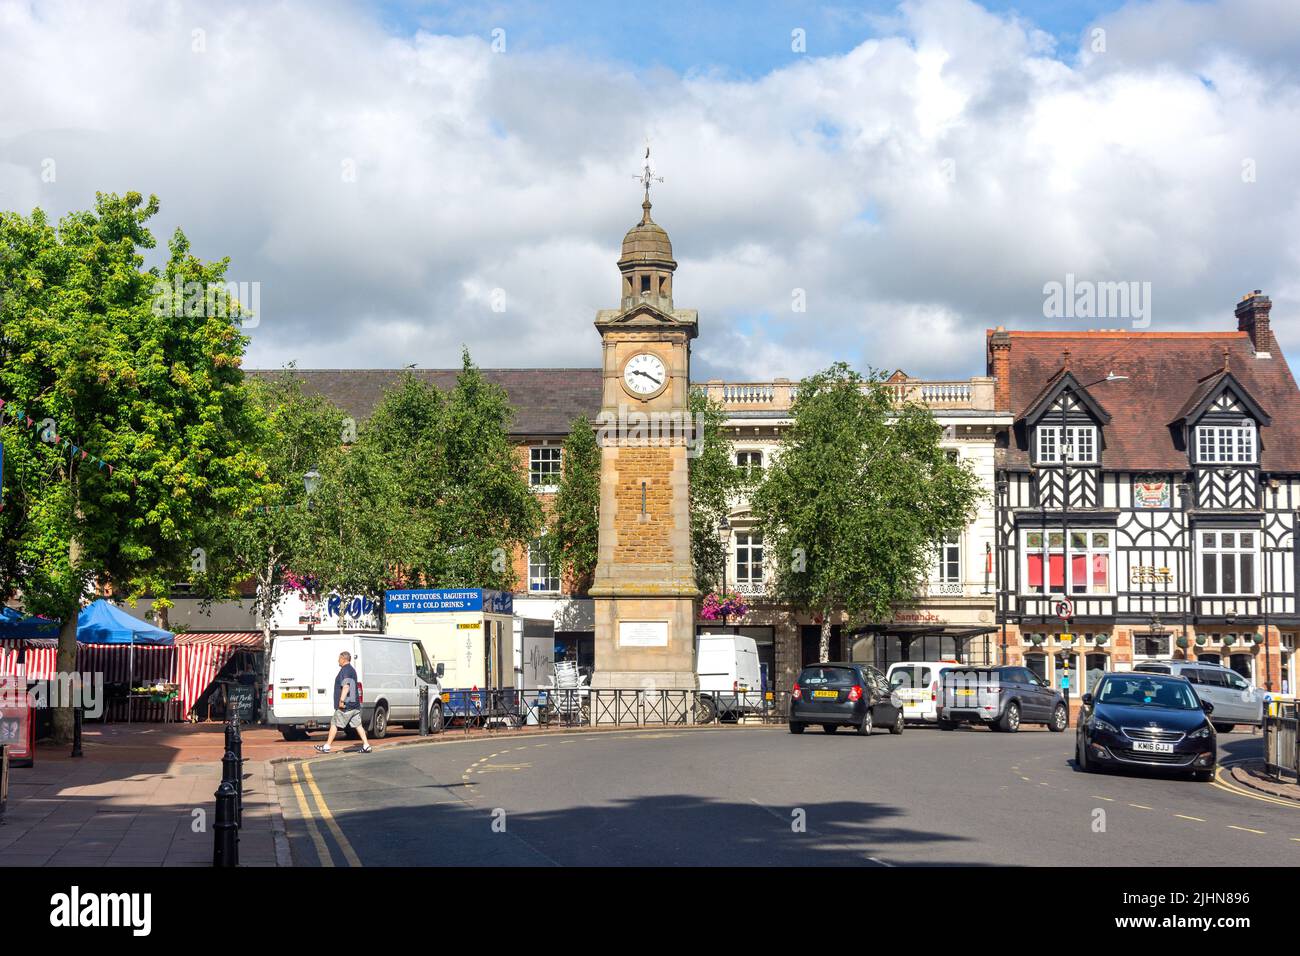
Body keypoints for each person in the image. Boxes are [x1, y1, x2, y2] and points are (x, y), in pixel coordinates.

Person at [315, 651, 371, 753]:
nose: (338, 660)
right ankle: (366, 745)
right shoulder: (352, 670)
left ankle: (327, 746)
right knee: (358, 725)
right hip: (354, 704)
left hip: (346, 706)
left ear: (343, 659)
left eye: (339, 658)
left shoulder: (345, 670)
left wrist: (341, 701)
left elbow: (346, 686)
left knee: (334, 723)